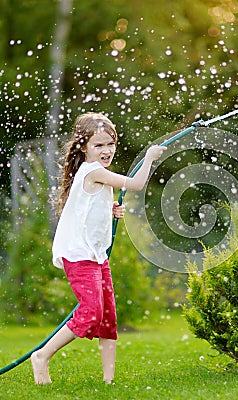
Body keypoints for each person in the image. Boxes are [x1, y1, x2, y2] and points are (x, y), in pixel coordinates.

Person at [31, 112, 166, 385]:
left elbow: (87, 207)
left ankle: (108, 381)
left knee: (107, 317)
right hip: (80, 256)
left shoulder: (93, 174)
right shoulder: (94, 171)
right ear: (84, 147)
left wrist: (110, 209)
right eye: (99, 145)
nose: (106, 151)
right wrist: (150, 157)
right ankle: (42, 356)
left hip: (95, 255)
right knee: (92, 312)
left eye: (110, 144)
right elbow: (137, 184)